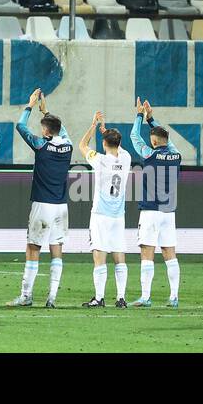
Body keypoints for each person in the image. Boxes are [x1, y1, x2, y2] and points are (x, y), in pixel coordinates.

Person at [8, 89, 72, 308]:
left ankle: (26, 296)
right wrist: (46, 111)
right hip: (61, 207)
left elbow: (20, 126)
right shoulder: (68, 145)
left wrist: (30, 106)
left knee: (33, 247)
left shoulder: (40, 144)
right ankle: (52, 297)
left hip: (42, 205)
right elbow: (60, 130)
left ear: (45, 131)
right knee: (57, 249)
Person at [128, 99, 183, 308]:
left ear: (153, 142)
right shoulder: (176, 155)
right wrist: (151, 119)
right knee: (170, 253)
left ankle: (145, 296)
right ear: (167, 140)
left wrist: (140, 115)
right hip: (169, 211)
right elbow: (167, 142)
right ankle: (174, 296)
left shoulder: (150, 154)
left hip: (150, 210)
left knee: (147, 251)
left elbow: (134, 136)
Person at [79, 110, 131, 309]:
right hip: (119, 215)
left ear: (103, 144)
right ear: (118, 143)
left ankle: (99, 298)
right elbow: (117, 147)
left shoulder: (100, 160)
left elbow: (82, 146)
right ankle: (121, 298)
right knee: (119, 255)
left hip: (101, 214)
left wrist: (94, 126)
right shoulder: (125, 158)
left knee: (99, 254)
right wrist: (108, 133)